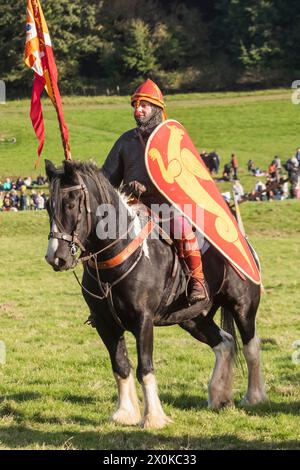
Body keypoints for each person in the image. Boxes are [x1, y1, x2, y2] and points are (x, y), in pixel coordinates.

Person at [102, 78, 209, 304]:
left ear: (157, 109)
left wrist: (149, 187)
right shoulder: (125, 141)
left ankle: (196, 281)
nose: (138, 110)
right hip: (134, 205)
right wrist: (125, 187)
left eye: (144, 105)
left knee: (183, 229)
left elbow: (183, 177)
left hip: (166, 204)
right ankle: (101, 297)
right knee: (103, 234)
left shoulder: (171, 139)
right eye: (135, 105)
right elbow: (106, 182)